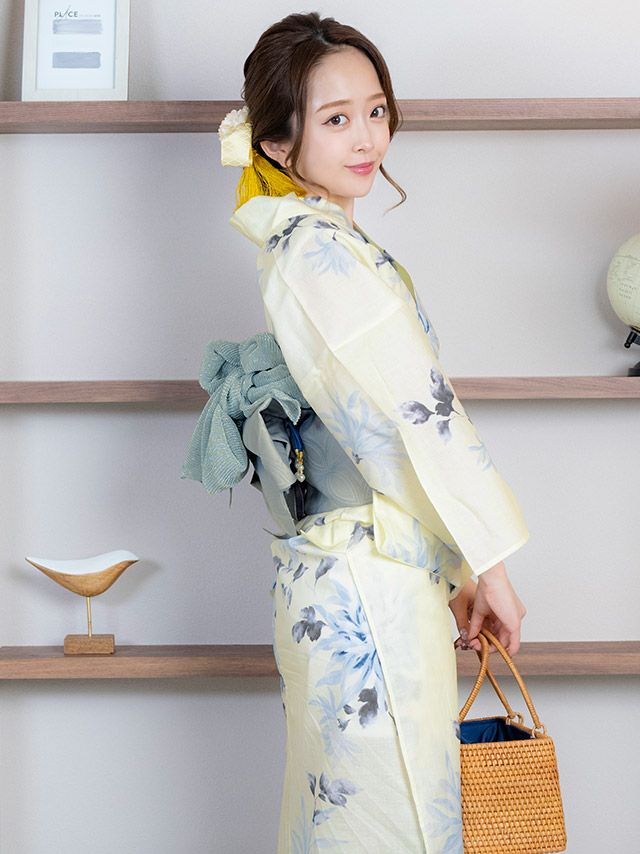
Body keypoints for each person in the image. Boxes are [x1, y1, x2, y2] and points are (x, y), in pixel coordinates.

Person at [212, 12, 528, 853]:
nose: (367, 137)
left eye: (376, 110)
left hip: (358, 572)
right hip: (364, 584)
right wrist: (488, 567)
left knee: (363, 817)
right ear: (278, 144)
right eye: (336, 118)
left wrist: (455, 576)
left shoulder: (320, 240)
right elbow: (409, 414)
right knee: (390, 824)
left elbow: (384, 427)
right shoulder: (315, 250)